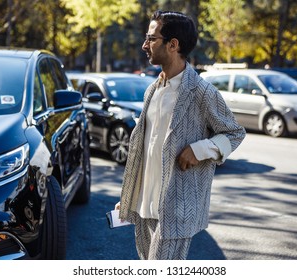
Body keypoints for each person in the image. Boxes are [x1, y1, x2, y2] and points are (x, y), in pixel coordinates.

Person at [115, 10, 246, 260]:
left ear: (173, 44)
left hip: (176, 211)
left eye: (151, 39)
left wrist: (201, 150)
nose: (145, 45)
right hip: (145, 206)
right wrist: (131, 194)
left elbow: (234, 133)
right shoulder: (152, 90)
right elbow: (147, 149)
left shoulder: (201, 92)